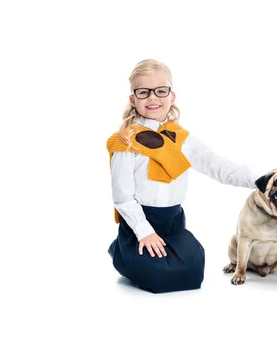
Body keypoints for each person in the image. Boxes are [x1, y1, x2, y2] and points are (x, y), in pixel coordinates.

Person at [106, 59, 260, 293]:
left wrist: (257, 181)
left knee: (193, 270)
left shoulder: (182, 139)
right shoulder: (125, 142)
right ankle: (121, 250)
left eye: (160, 91)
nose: (153, 98)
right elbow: (123, 197)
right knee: (159, 277)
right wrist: (144, 232)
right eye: (143, 92)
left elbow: (215, 164)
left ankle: (141, 255)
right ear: (132, 99)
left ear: (172, 97)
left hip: (174, 222)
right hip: (139, 223)